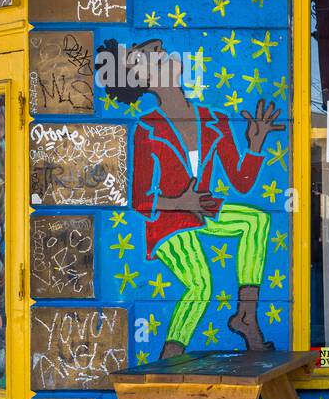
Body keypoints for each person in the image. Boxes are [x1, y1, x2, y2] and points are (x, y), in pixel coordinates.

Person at [100, 38, 282, 359]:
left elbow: (241, 183)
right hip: (169, 222)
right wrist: (182, 202)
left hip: (205, 210)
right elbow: (141, 200)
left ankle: (246, 317)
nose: (168, 57)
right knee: (200, 285)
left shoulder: (215, 120)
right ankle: (170, 355)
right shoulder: (147, 128)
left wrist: (255, 144)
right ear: (143, 80)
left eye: (164, 53)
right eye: (157, 59)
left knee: (258, 219)